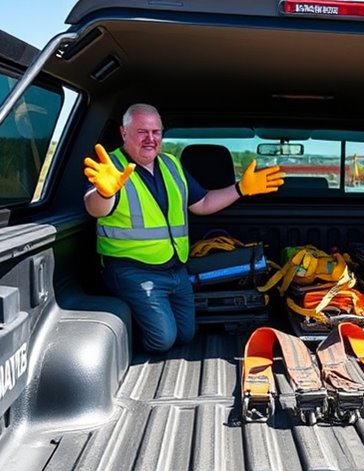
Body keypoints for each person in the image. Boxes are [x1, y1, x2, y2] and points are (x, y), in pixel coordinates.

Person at [83, 103, 284, 353]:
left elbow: (202, 203)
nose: (151, 139)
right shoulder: (109, 168)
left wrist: (240, 189)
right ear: (124, 133)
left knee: (186, 334)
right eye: (142, 132)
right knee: (162, 340)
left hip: (176, 270)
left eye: (156, 132)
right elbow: (95, 207)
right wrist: (104, 192)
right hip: (133, 271)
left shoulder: (171, 165)